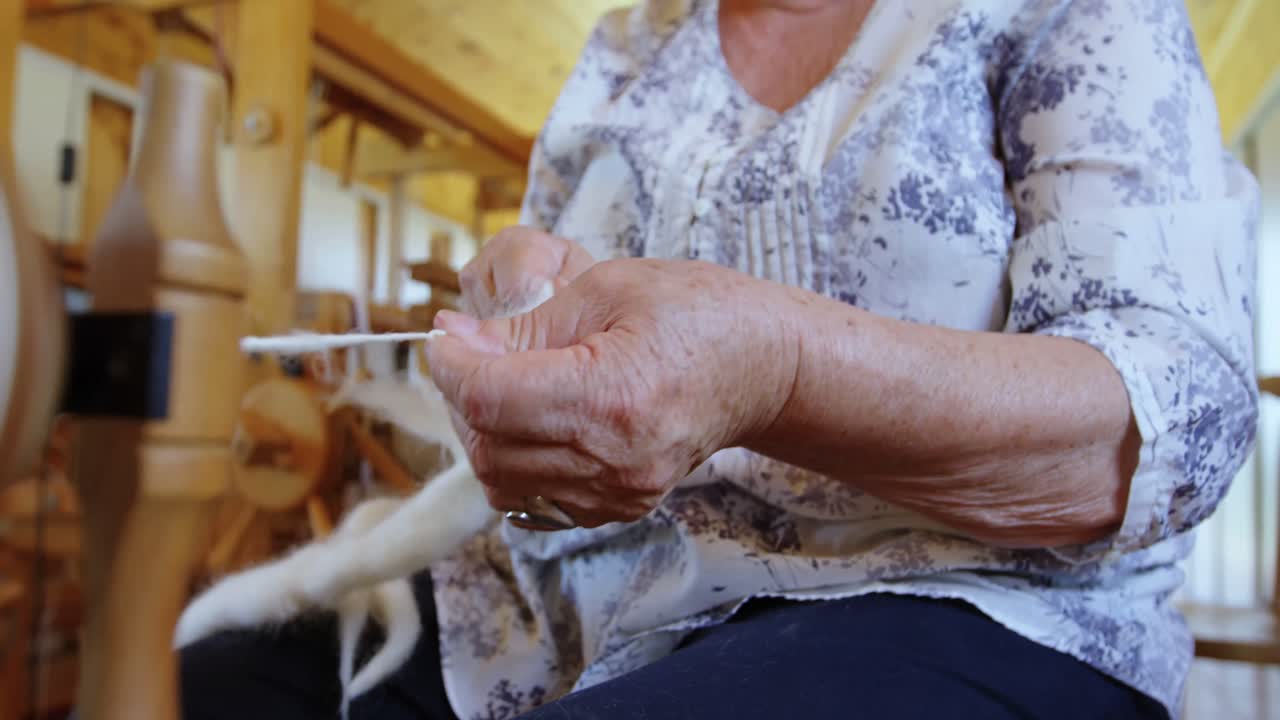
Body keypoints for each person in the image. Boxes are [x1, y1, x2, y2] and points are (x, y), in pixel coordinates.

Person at [182, 0, 1259, 718]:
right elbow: (544, 477)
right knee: (227, 683)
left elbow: (1175, 417)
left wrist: (775, 374)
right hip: (594, 593)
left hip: (979, 604)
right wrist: (528, 408)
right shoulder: (633, 45)